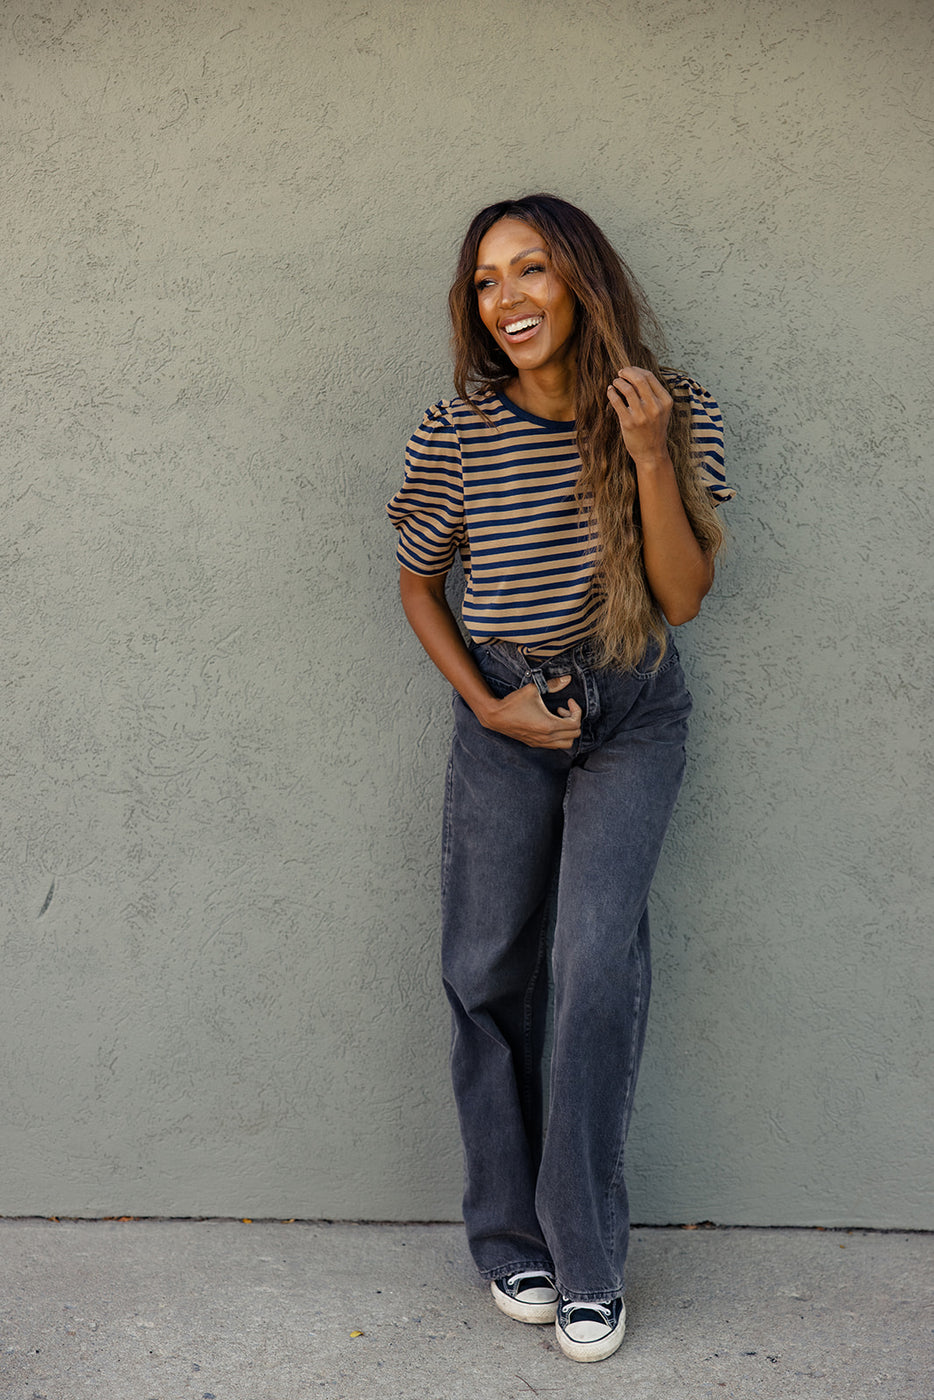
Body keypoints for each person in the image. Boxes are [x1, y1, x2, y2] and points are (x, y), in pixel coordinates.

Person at [386, 194, 734, 1364]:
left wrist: (645, 452)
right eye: (486, 281)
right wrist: (487, 703)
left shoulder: (668, 410)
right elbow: (417, 583)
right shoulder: (458, 429)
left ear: (583, 280)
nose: (508, 299)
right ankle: (506, 1235)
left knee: (593, 966)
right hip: (504, 709)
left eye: (531, 270)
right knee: (485, 968)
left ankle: (586, 1257)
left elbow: (682, 597)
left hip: (631, 707)